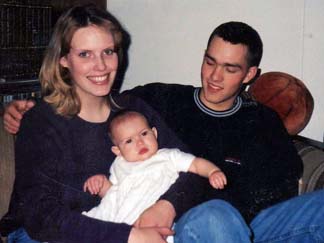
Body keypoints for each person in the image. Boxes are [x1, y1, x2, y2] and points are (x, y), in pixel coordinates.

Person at [3, 19, 324, 243]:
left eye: (230, 69)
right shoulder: (159, 99)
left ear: (250, 74)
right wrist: (27, 106)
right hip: (193, 220)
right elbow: (84, 98)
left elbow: (283, 185)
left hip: (249, 225)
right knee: (216, 216)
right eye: (210, 61)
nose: (214, 76)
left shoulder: (264, 121)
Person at [0, 4, 208, 243]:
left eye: (108, 52)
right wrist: (129, 236)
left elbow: (194, 172)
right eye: (85, 54)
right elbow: (41, 217)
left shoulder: (134, 110)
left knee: (214, 217)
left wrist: (166, 206)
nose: (101, 66)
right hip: (46, 236)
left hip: (125, 224)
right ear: (64, 60)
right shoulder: (41, 121)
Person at [82, 110, 226, 242]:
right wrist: (101, 184)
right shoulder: (119, 164)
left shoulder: (168, 156)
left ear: (154, 134)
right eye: (129, 141)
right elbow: (113, 194)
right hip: (115, 223)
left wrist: (212, 172)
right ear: (117, 151)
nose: (139, 142)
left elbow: (195, 164)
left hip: (150, 225)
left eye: (144, 134)